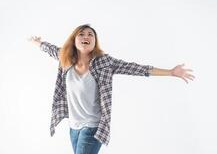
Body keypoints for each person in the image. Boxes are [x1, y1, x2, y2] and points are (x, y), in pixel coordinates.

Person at [28, 24, 195, 154]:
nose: (86, 36)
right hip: (74, 127)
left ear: (94, 42)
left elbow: (137, 69)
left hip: (93, 127)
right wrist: (38, 42)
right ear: (74, 40)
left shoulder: (105, 63)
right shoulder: (66, 59)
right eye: (81, 34)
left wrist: (171, 72)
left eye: (90, 35)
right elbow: (49, 49)